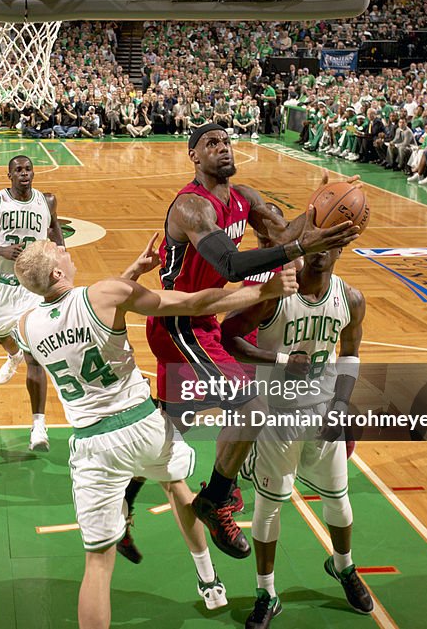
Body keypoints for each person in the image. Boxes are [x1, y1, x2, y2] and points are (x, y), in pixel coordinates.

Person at [13, 240, 299, 629]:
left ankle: (138, 524)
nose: (64, 247)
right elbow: (194, 304)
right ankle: (209, 578)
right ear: (57, 272)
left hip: (93, 443)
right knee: (176, 485)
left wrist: (131, 273)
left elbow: (76, 319)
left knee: (97, 563)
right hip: (145, 428)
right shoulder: (106, 293)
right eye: (57, 249)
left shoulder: (25, 327)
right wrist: (263, 291)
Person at [141, 123, 359, 560]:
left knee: (174, 425)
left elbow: (282, 236)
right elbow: (231, 263)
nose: (223, 148)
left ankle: (138, 483)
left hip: (205, 319)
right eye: (211, 144)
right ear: (193, 156)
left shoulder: (245, 197)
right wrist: (300, 246)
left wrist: (319, 209)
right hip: (177, 322)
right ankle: (216, 497)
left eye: (227, 142)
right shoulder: (191, 206)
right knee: (250, 405)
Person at [222, 244, 372, 628]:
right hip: (277, 414)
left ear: (340, 248)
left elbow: (350, 353)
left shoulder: (350, 298)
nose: (322, 252)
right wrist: (281, 360)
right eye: (315, 242)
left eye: (330, 243)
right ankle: (266, 593)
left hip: (324, 412)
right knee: (269, 505)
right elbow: (228, 336)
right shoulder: (278, 294)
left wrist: (342, 403)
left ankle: (344, 566)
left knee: (338, 499)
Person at [0, 155, 64, 451]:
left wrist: (60, 254)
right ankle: (12, 355)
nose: (24, 173)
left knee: (35, 356)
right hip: (2, 286)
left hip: (33, 288)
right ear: (9, 175)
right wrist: (1, 251)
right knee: (2, 336)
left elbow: (54, 228)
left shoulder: (47, 201)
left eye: (28, 169)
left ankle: (39, 426)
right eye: (18, 170)